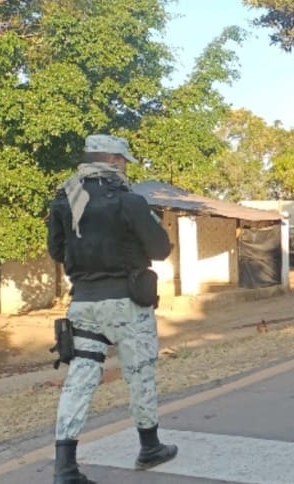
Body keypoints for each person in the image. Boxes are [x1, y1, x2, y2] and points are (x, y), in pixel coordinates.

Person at [47, 134, 178, 483]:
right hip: (127, 304)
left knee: (79, 381)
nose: (125, 167)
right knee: (139, 372)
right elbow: (161, 249)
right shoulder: (128, 201)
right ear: (113, 160)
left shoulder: (64, 199)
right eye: (123, 161)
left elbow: (57, 252)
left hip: (83, 305)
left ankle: (65, 467)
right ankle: (149, 447)